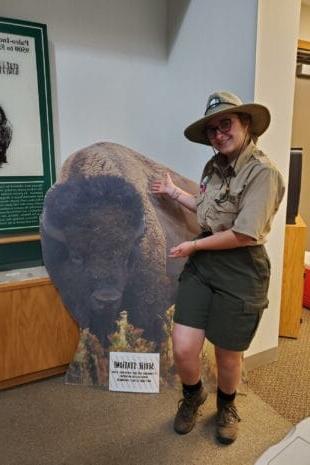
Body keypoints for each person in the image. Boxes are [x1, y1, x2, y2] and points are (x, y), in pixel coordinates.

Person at [151, 91, 285, 444]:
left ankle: (226, 406)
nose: (219, 133)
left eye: (226, 123)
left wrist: (193, 244)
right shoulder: (213, 167)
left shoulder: (263, 173)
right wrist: (174, 193)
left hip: (242, 268)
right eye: (212, 129)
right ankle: (193, 395)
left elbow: (243, 234)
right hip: (206, 263)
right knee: (182, 346)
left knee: (228, 354)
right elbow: (209, 211)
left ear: (245, 124)